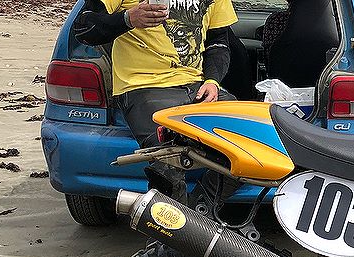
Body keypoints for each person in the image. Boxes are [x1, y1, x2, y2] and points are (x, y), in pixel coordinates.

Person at [73, 0, 238, 149]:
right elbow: (83, 28)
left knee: (246, 145)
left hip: (198, 87)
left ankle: (204, 185)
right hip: (143, 87)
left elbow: (218, 43)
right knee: (167, 158)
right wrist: (127, 19)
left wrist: (212, 81)